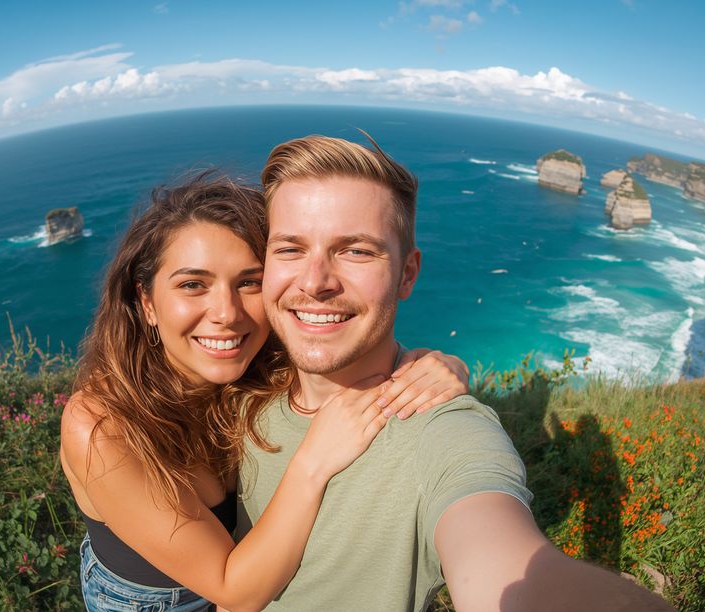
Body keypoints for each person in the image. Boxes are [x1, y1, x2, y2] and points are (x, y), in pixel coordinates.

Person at [238, 135, 674, 611]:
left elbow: (506, 561)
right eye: (290, 249)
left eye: (356, 251)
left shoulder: (440, 433)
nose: (315, 281)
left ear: (408, 274)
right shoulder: (240, 380)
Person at [58, 175, 470, 611]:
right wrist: (314, 460)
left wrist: (436, 366)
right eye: (193, 285)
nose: (227, 314)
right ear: (146, 302)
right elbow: (234, 591)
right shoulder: (102, 427)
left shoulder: (258, 367)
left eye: (249, 282)